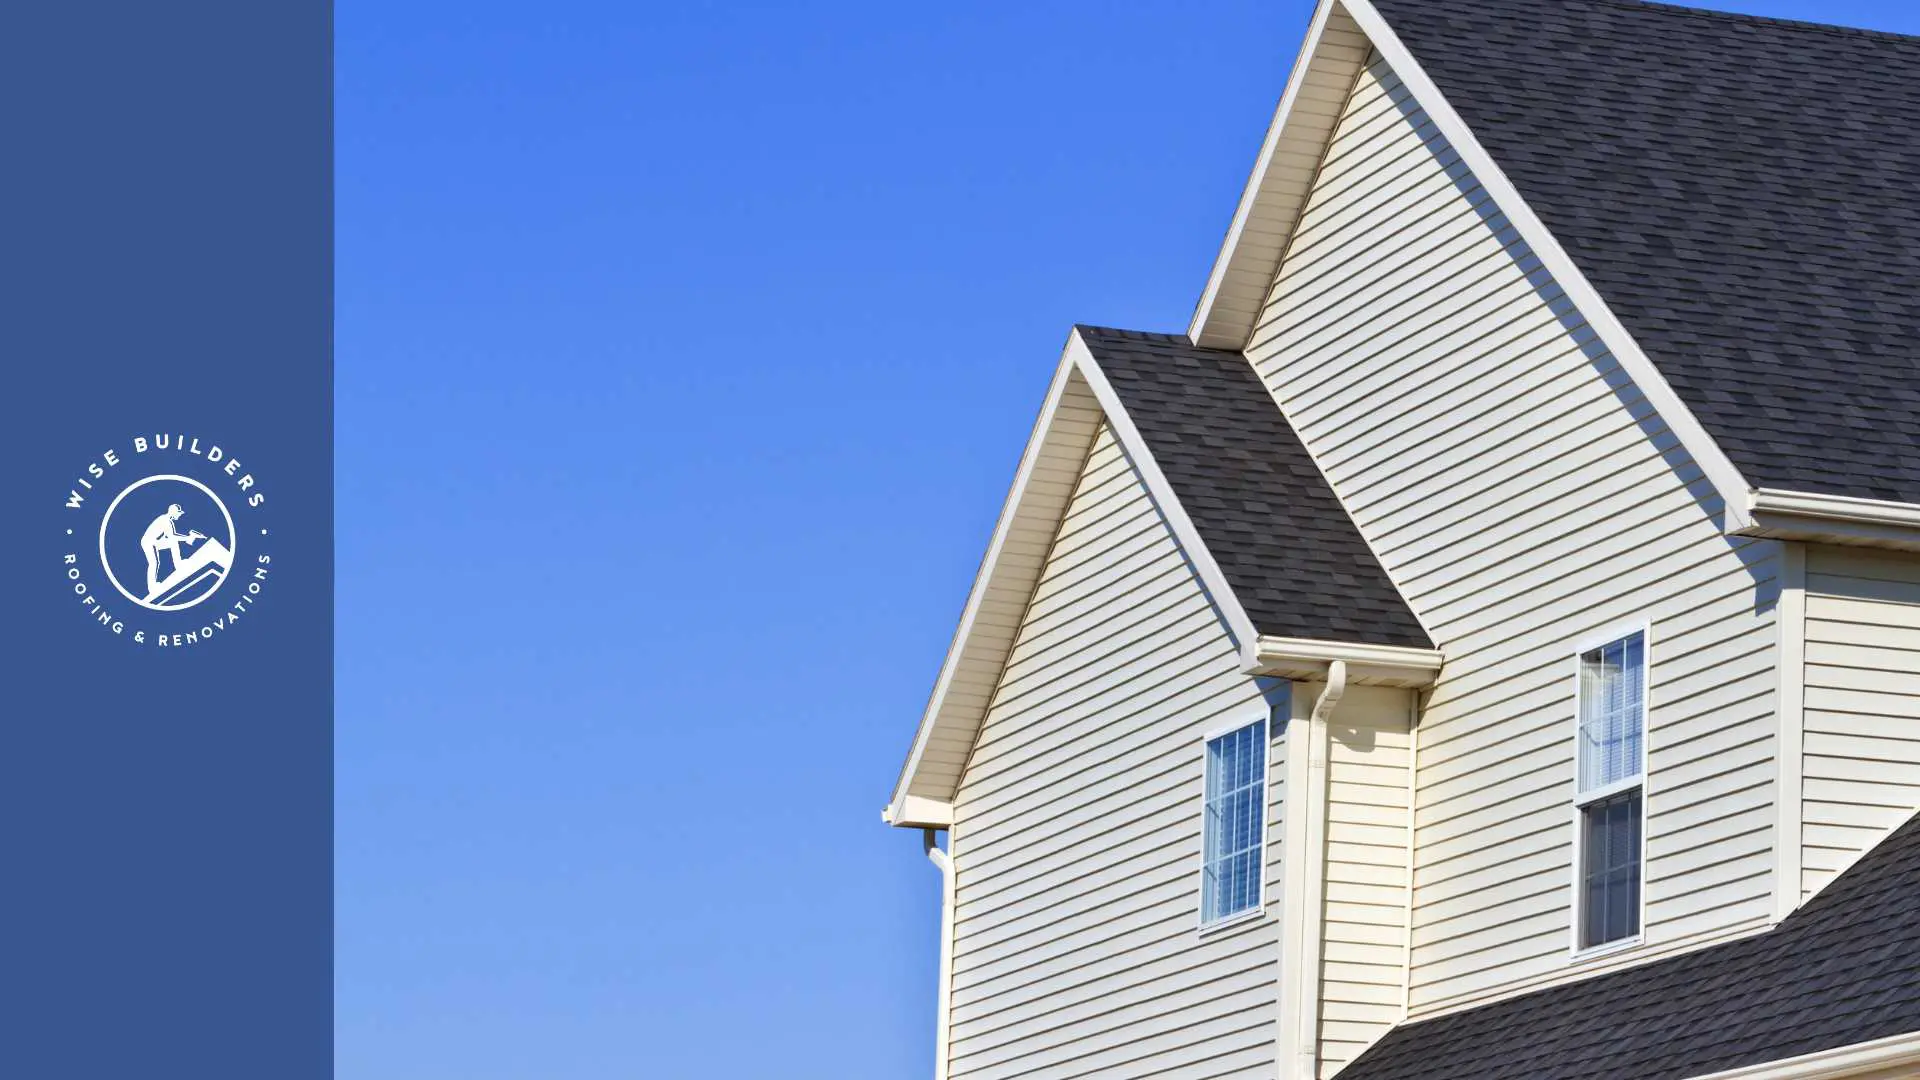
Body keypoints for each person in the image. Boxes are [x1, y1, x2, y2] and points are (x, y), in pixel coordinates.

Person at [142, 503, 206, 595]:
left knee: (173, 543)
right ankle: (152, 588)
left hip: (155, 541)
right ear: (173, 512)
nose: (179, 515)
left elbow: (170, 537)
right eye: (178, 513)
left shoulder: (167, 520)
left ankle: (178, 564)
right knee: (154, 562)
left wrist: (188, 538)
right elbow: (172, 536)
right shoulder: (165, 521)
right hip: (148, 542)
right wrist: (188, 538)